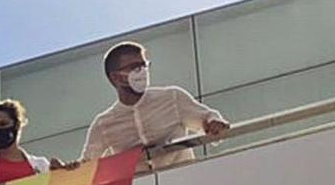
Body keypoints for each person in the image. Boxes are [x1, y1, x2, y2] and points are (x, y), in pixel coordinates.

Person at [82, 41, 230, 168]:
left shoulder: (172, 97)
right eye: (134, 67)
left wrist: (214, 123)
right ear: (115, 78)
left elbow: (208, 118)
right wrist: (62, 170)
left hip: (184, 182)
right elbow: (86, 165)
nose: (142, 72)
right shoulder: (104, 124)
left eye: (143, 65)